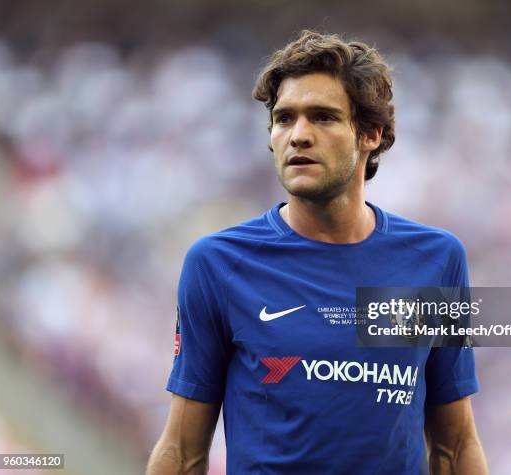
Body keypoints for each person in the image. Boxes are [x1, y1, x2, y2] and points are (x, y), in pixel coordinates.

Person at [147, 30, 488, 474]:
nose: (298, 135)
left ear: (370, 133)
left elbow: (456, 446)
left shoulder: (435, 260)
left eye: (323, 117)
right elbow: (182, 451)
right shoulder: (218, 264)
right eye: (284, 119)